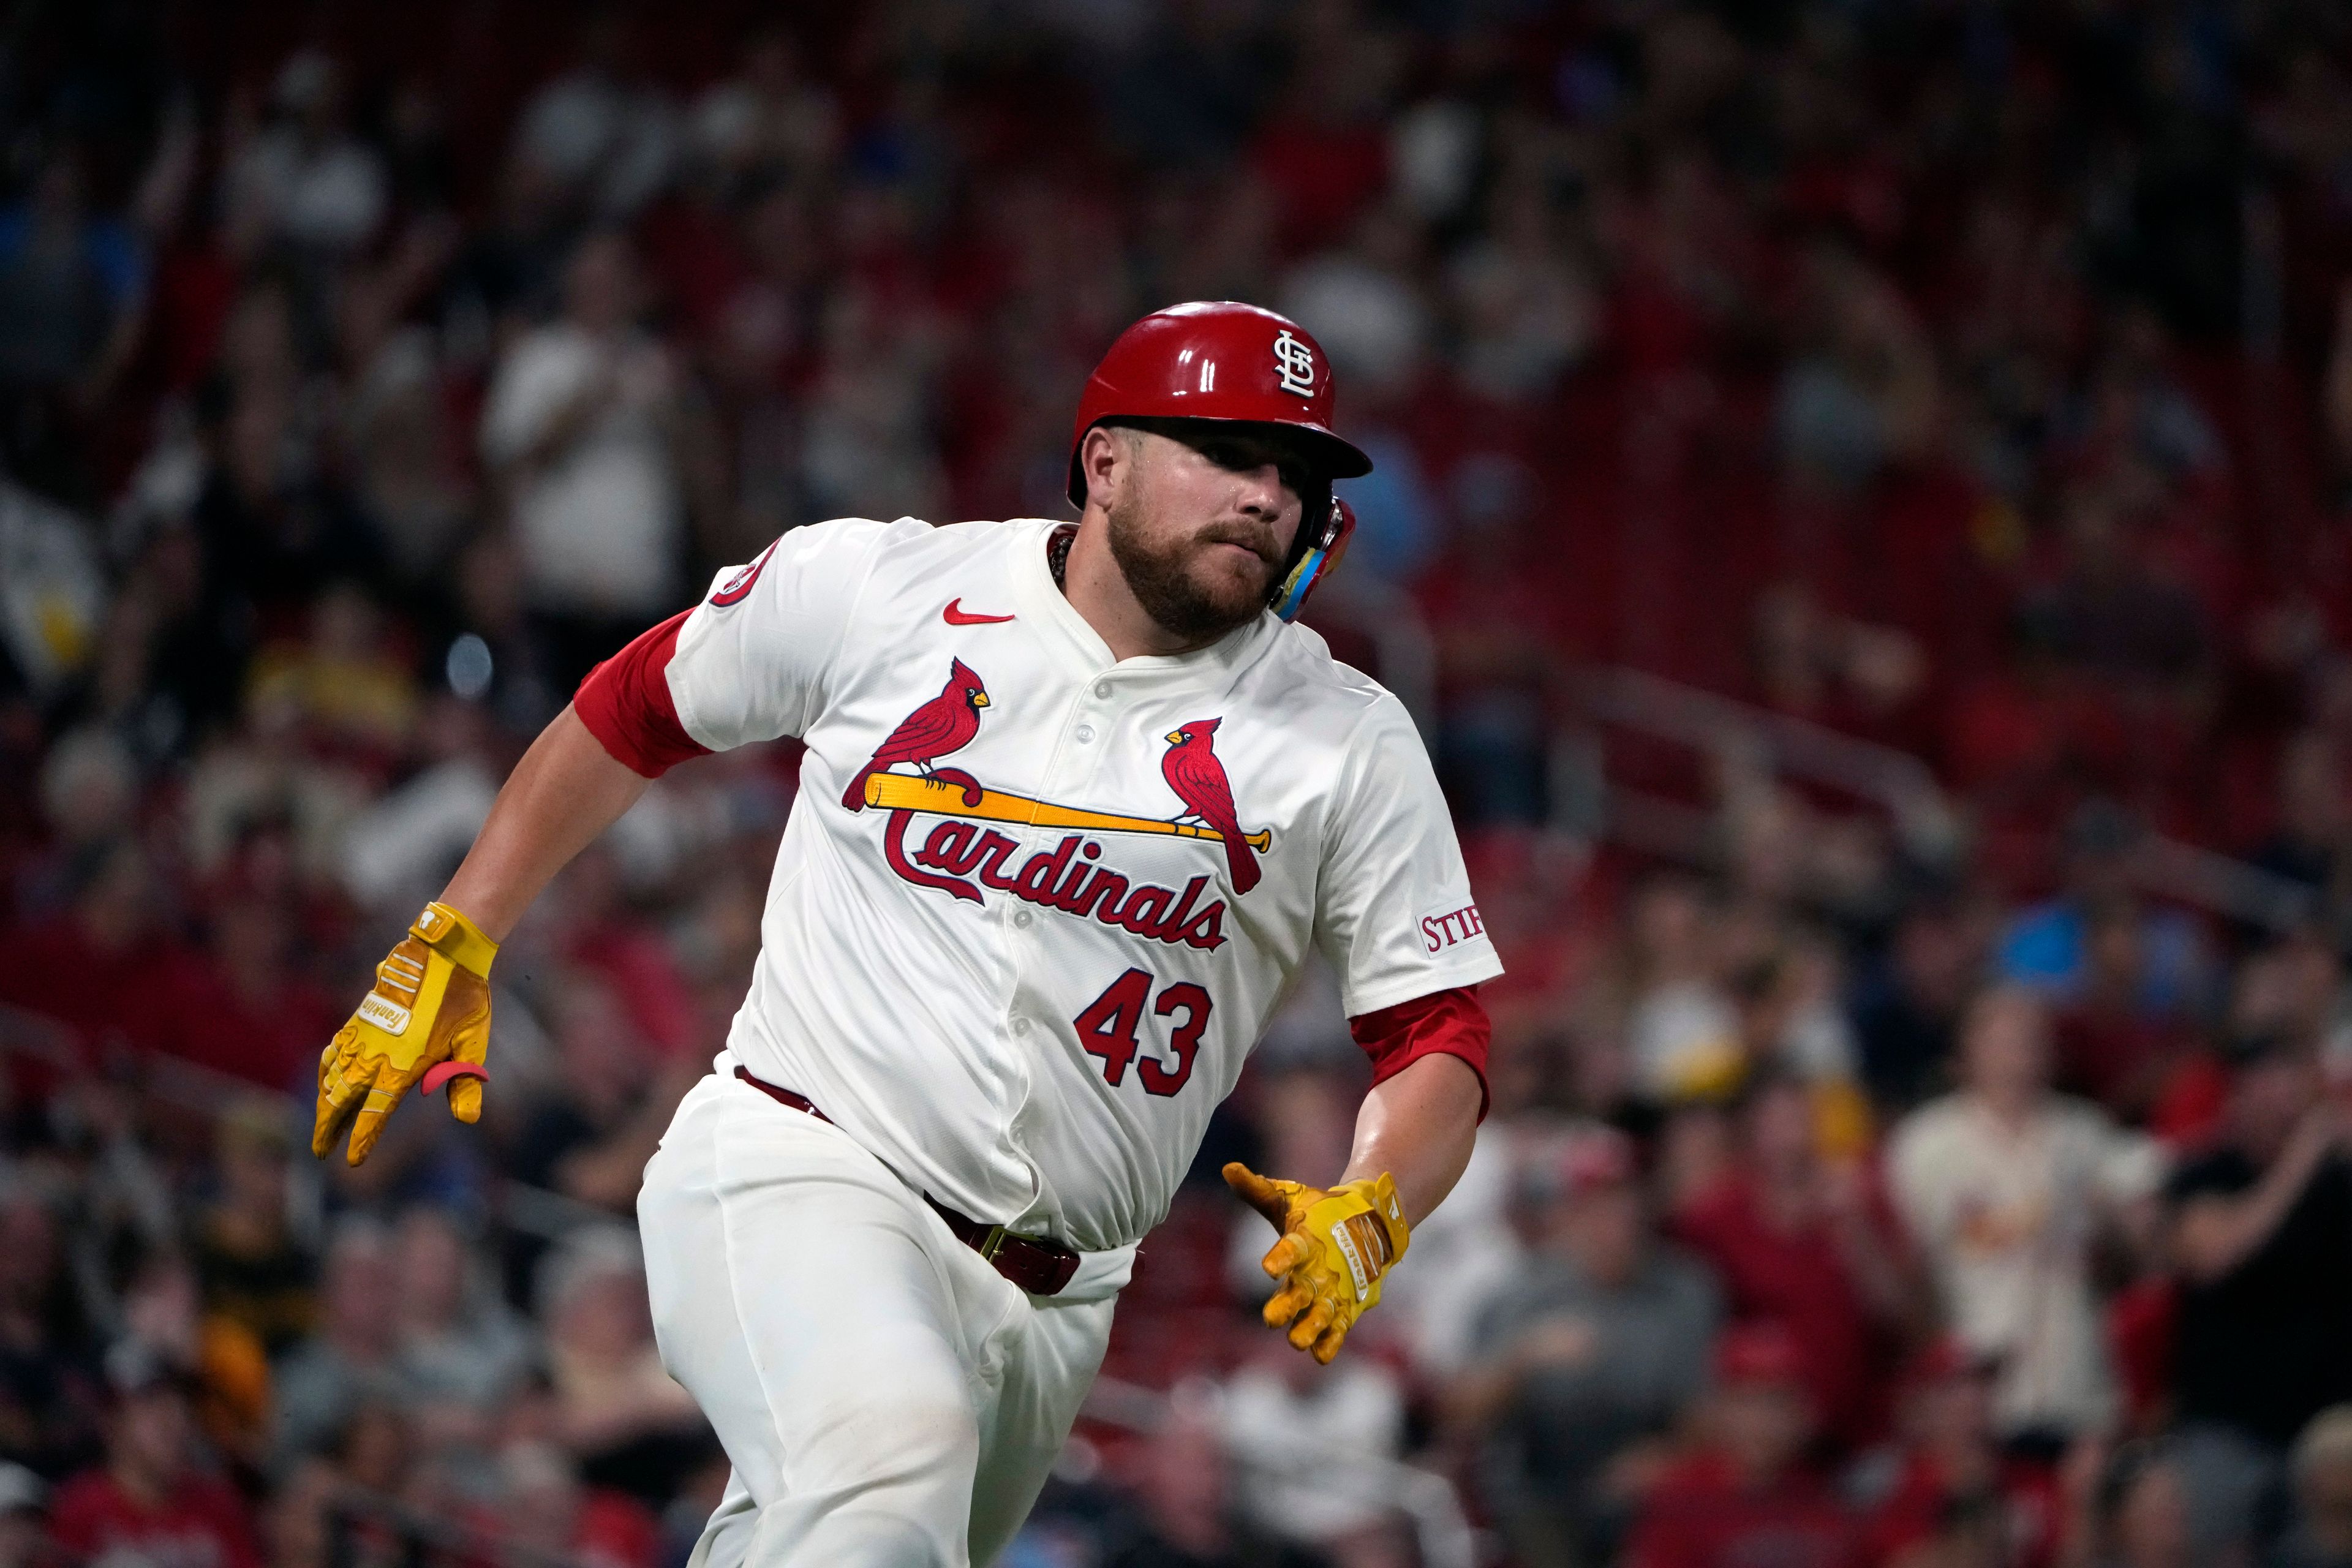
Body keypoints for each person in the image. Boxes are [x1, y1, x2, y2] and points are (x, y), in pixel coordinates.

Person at [309, 301, 1501, 1566]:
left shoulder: (1344, 734)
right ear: (1105, 460)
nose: (1268, 495)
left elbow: (1436, 1026)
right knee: (893, 1457)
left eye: (1295, 474)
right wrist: (460, 930)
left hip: (1060, 1295)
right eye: (1228, 450)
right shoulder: (887, 585)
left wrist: (1380, 1196)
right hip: (806, 1165)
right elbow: (638, 704)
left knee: (833, 1533)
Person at [1887, 986, 2164, 1444]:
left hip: (2076, 1391)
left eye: (2030, 1036)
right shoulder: (1924, 1146)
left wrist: (2118, 1229)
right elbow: (1907, 1275)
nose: (2017, 1051)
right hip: (1974, 1402)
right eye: (2000, 1036)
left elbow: (2139, 1260)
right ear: (1965, 1051)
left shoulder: (2085, 1136)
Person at [1449, 1125, 1721, 1567]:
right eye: (1594, 1203)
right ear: (1566, 1212)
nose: (1614, 1218)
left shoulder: (1683, 1290)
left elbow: (1705, 1413)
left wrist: (1669, 1458)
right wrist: (1522, 1358)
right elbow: (1460, 1413)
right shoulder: (1524, 1291)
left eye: (1624, 1199)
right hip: (1539, 1489)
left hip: (1640, 1484)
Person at [2162, 1035, 2352, 1558]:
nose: (2286, 1097)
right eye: (2270, 1082)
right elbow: (2214, 1254)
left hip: (2323, 1429)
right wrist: (2300, 1160)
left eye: (2296, 1080)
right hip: (2227, 1426)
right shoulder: (2205, 1171)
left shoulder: (2338, 1181)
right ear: (2238, 1095)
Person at [1623, 1322, 1864, 1568]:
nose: (1762, 1421)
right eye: (1747, 1403)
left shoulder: (1821, 1501)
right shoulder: (1680, 1499)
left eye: (1778, 1403)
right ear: (1718, 1409)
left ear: (1806, 1415)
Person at [48, 1342, 261, 1568]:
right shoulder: (78, 1511)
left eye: (179, 1403)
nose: (172, 1420)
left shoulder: (218, 1503)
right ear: (111, 1423)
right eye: (151, 1405)